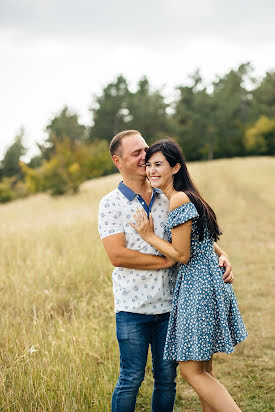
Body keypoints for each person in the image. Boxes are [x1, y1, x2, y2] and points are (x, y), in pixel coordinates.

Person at [98, 130, 234, 412]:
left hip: (173, 304)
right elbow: (117, 255)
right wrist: (168, 261)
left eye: (146, 150)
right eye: (137, 153)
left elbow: (194, 237)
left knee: (166, 380)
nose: (145, 156)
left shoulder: (166, 194)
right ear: (117, 161)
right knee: (131, 378)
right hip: (133, 307)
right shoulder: (111, 203)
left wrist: (222, 255)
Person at [130, 138, 248, 412]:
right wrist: (223, 254)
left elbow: (181, 255)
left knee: (191, 372)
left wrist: (148, 236)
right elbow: (205, 239)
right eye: (149, 165)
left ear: (176, 167)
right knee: (204, 369)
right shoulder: (186, 195)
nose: (151, 170)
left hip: (198, 287)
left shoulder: (179, 198)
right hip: (205, 282)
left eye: (158, 164)